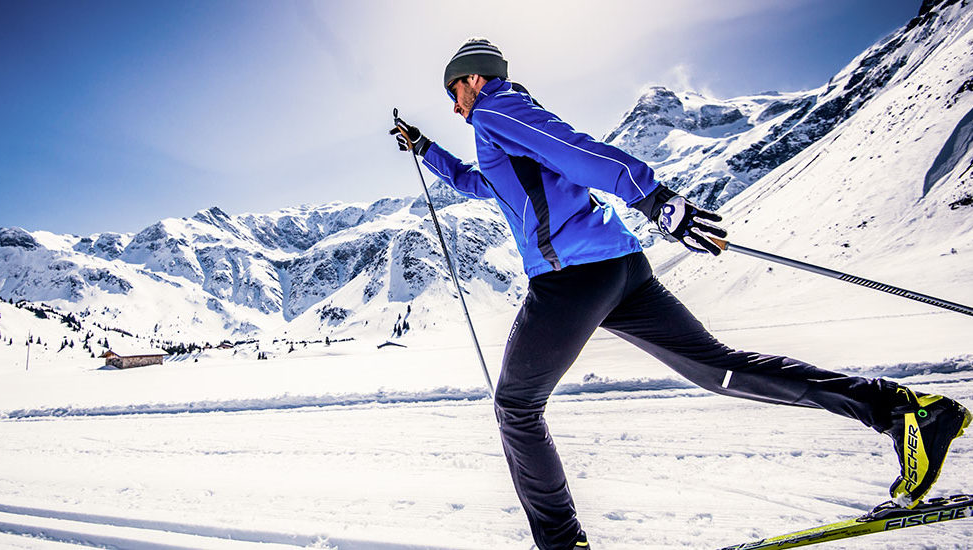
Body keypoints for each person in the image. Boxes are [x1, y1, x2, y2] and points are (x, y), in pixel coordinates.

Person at [389, 37, 971, 550]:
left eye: (453, 92)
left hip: (572, 278)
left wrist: (653, 196)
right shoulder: (502, 130)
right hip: (621, 271)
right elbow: (478, 183)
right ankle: (905, 412)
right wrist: (424, 149)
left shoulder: (498, 107)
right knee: (719, 369)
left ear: (473, 78)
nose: (454, 107)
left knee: (516, 406)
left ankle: (562, 545)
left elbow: (578, 150)